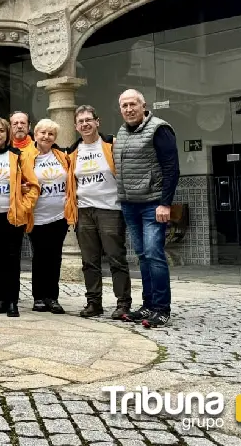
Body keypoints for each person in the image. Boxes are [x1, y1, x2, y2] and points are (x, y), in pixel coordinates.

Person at [114, 89, 179, 328]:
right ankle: (148, 305)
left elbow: (172, 168)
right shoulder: (122, 131)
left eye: (133, 104)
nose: (129, 109)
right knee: (142, 256)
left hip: (153, 203)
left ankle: (162, 308)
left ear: (144, 106)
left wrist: (165, 203)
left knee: (154, 254)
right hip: (130, 204)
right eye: (124, 105)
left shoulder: (159, 129)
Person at [66, 105, 131, 319]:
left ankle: (123, 304)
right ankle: (94, 303)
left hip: (110, 209)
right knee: (89, 261)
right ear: (76, 126)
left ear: (97, 121)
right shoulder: (73, 151)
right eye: (81, 121)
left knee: (116, 258)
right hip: (84, 211)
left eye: (88, 120)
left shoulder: (112, 145)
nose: (85, 124)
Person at [0, 117, 39, 318]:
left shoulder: (17, 155)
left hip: (12, 216)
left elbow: (33, 186)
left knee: (12, 259)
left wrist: (24, 208)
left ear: (8, 134)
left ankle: (13, 301)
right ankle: (1, 299)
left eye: (1, 131)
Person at [23, 119, 75, 315]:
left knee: (55, 256)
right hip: (36, 215)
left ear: (55, 138)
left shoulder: (62, 156)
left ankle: (52, 297)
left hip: (59, 215)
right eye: (42, 133)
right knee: (40, 256)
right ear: (35, 134)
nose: (46, 136)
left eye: (50, 134)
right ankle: (38, 297)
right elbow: (18, 179)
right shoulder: (26, 156)